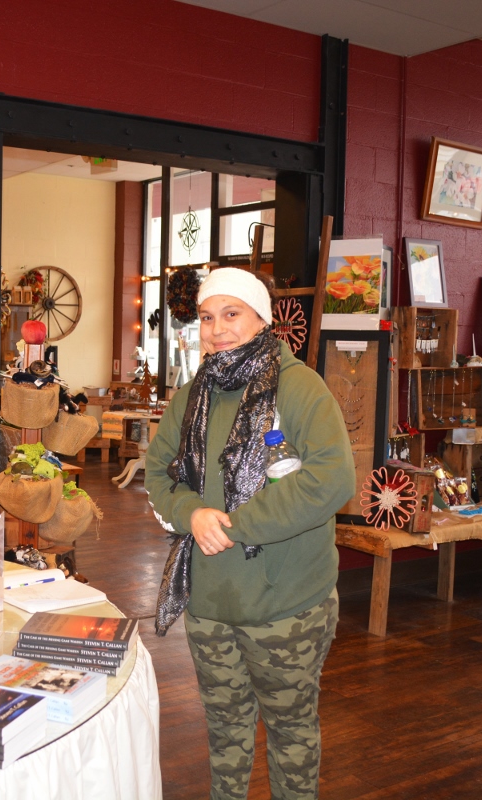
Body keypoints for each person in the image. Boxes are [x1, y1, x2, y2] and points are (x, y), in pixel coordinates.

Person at [145, 268, 355, 799]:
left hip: (286, 607)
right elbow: (157, 470)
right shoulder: (193, 394)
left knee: (291, 734)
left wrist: (237, 525)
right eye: (208, 317)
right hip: (211, 603)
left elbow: (332, 479)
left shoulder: (300, 388)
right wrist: (191, 512)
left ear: (262, 319)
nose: (217, 329)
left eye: (231, 314)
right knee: (226, 733)